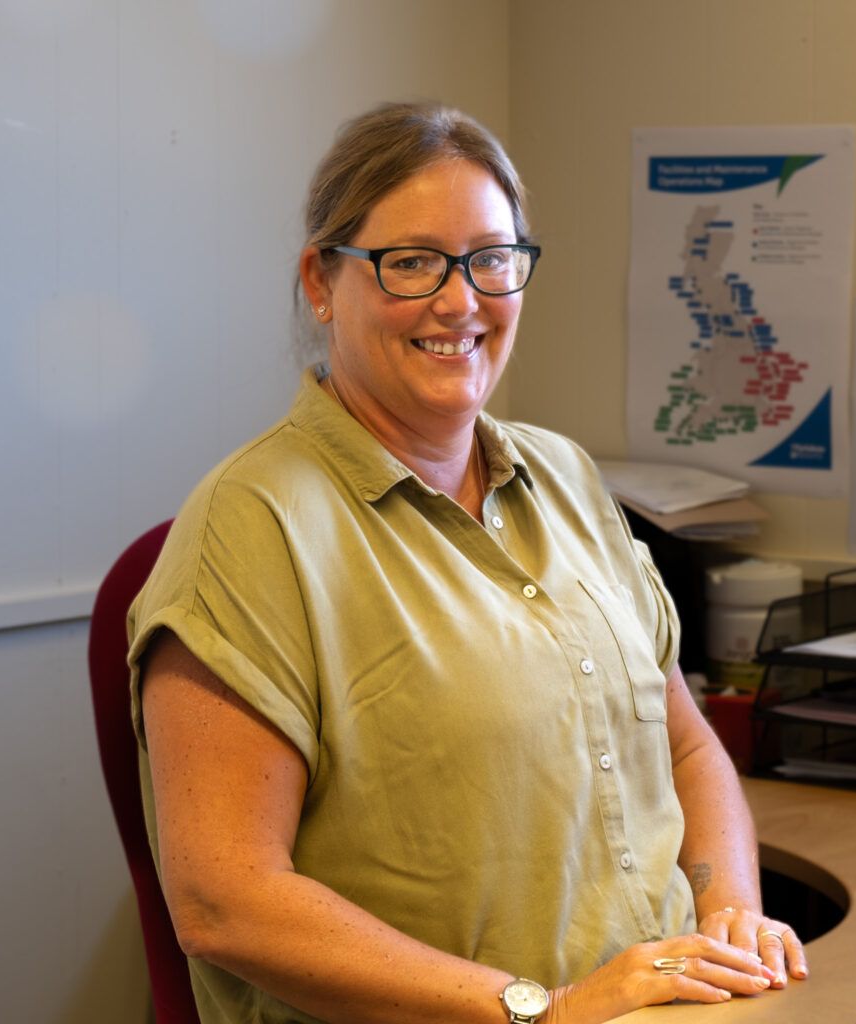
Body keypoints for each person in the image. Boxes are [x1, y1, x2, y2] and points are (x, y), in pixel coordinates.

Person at [128, 101, 808, 1024]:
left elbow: (682, 739)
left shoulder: (563, 475)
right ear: (322, 284)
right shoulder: (251, 530)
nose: (461, 301)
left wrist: (731, 915)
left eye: (492, 259)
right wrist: (542, 1008)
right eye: (411, 262)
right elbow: (224, 904)